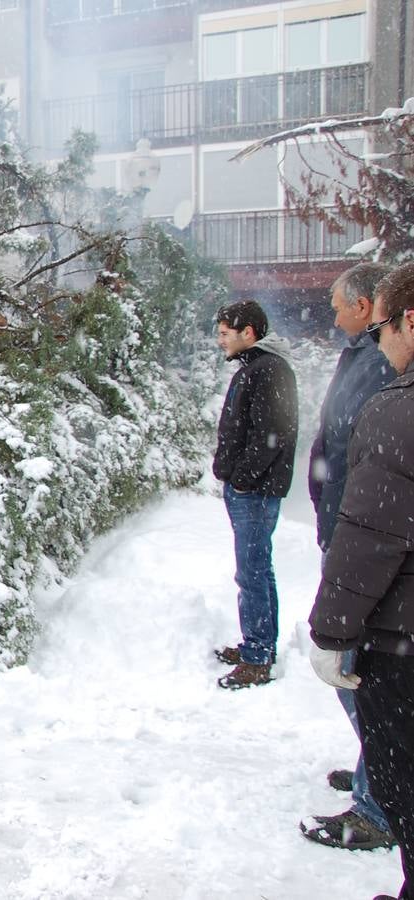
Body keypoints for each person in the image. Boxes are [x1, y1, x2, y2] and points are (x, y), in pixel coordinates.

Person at [308, 262, 414, 900]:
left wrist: (332, 631)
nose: (382, 345)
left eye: (385, 330)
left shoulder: (397, 407)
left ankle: (378, 808)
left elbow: (373, 533)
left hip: (400, 630)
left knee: (404, 773)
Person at [211, 299, 297, 690]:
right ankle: (256, 645)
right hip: (249, 489)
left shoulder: (270, 370)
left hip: (256, 492)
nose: (219, 341)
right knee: (255, 570)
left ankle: (259, 655)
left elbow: (269, 436)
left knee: (253, 572)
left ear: (249, 333)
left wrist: (243, 479)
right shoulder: (256, 368)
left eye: (225, 334)